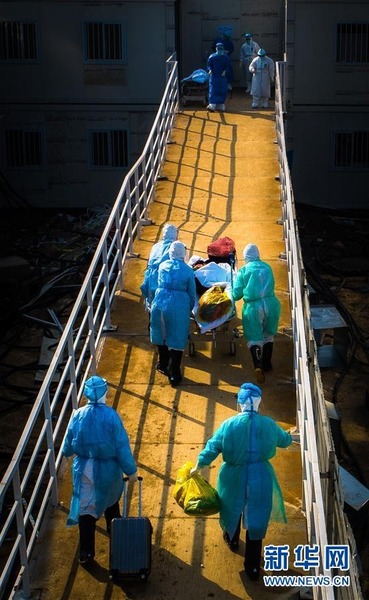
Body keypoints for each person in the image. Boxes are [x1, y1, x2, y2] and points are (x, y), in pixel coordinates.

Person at [190, 383, 292, 580]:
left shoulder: (228, 425)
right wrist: (290, 436)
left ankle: (232, 539)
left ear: (240, 403)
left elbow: (212, 447)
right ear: (259, 402)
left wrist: (199, 465)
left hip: (233, 476)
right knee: (258, 517)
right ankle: (252, 567)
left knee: (232, 507)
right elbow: (284, 440)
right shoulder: (269, 424)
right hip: (260, 476)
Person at [62, 375, 138, 565]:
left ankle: (86, 553)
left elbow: (68, 446)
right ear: (105, 392)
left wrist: (68, 452)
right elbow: (122, 447)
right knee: (111, 504)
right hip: (108, 470)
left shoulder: (77, 415)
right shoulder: (112, 416)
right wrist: (131, 471)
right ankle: (118, 543)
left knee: (86, 511)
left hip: (83, 469)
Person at [232, 243, 281, 384]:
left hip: (253, 307)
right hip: (271, 304)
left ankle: (257, 365)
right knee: (268, 335)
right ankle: (267, 364)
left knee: (255, 337)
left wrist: (229, 295)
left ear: (245, 257)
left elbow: (237, 294)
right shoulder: (267, 267)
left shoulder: (244, 270)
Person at [150, 240, 196, 386]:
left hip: (160, 301)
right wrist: (188, 308)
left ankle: (163, 364)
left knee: (161, 334)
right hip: (179, 304)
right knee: (177, 337)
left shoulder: (163, 266)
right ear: (183, 254)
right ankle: (174, 373)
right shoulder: (188, 271)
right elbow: (192, 292)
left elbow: (157, 283)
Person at [140, 223, 178, 311]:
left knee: (152, 304)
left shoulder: (155, 246)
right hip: (165, 277)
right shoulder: (174, 247)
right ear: (175, 235)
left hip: (151, 277)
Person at [206, 42, 233, 112]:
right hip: (214, 76)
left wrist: (225, 71)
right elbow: (209, 65)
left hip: (222, 77)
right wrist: (210, 70)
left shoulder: (225, 57)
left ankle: (221, 104)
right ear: (216, 48)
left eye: (221, 48)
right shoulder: (212, 57)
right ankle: (212, 104)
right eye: (219, 48)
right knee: (213, 90)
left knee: (222, 90)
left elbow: (228, 66)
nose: (220, 50)